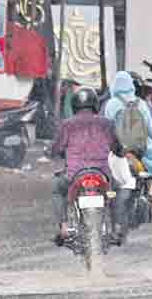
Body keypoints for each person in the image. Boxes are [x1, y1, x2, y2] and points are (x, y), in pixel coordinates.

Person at [50, 87, 123, 246]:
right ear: (95, 104)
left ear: (74, 106)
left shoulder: (67, 125)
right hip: (102, 174)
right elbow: (117, 147)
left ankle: (63, 227)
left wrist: (56, 152)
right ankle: (117, 228)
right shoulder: (106, 123)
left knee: (57, 187)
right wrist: (120, 151)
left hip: (75, 175)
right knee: (115, 190)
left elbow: (57, 149)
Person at [103, 71, 152, 194]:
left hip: (119, 148)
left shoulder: (111, 104)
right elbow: (151, 131)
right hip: (140, 149)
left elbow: (106, 128)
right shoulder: (142, 104)